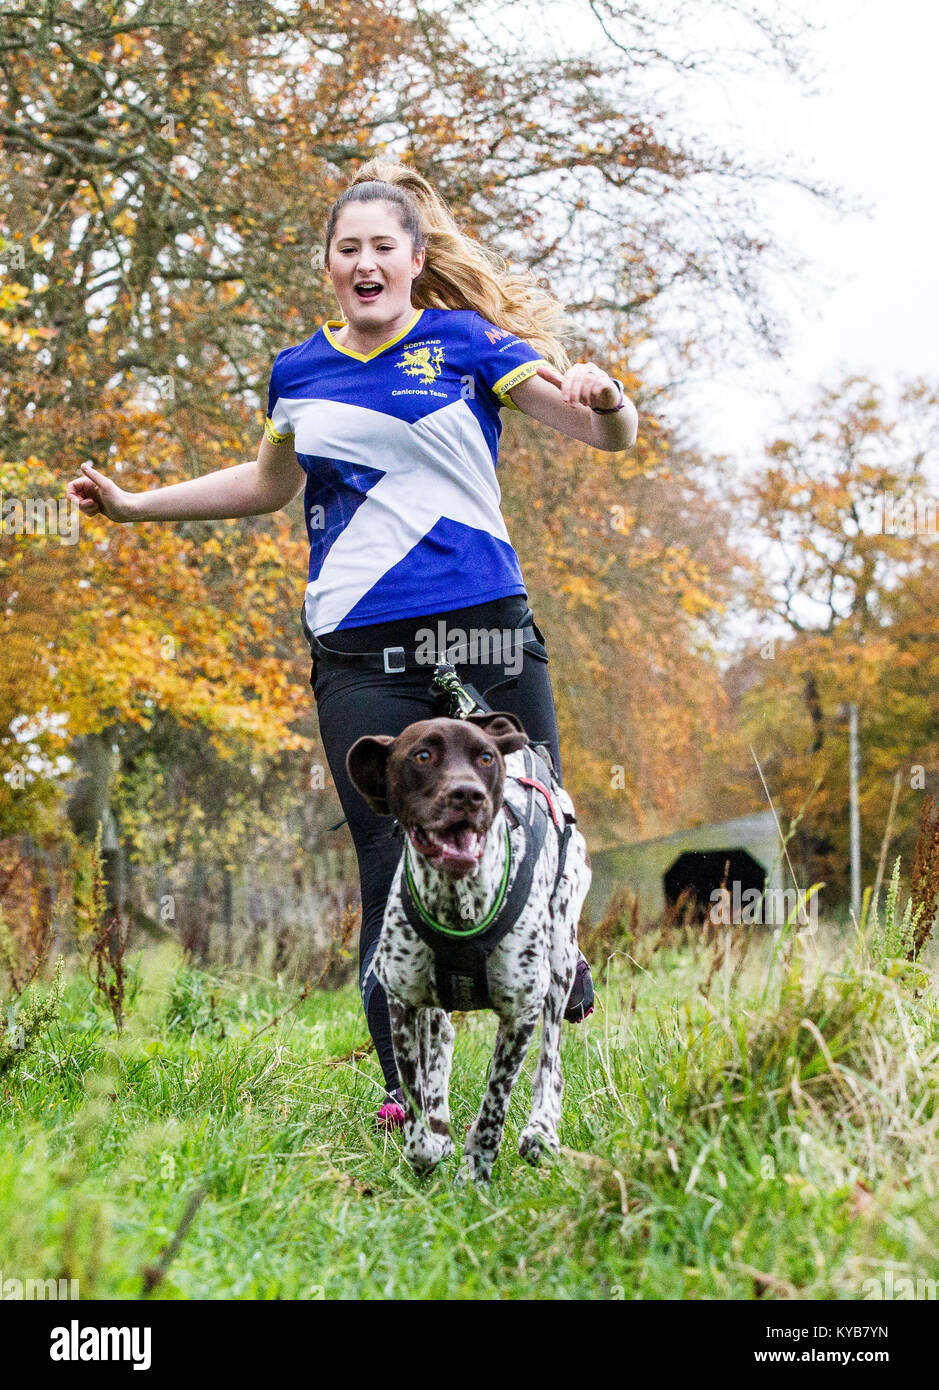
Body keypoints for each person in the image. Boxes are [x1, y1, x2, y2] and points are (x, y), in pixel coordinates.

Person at [67, 159, 638, 1127]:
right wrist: (133, 505)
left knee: (538, 817)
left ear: (414, 260)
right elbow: (265, 486)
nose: (365, 263)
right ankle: (405, 1094)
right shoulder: (298, 370)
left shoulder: (466, 342)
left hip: (482, 628)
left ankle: (554, 957)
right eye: (347, 249)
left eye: (382, 247)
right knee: (387, 851)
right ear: (329, 266)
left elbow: (605, 436)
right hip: (359, 645)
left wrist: (607, 396)